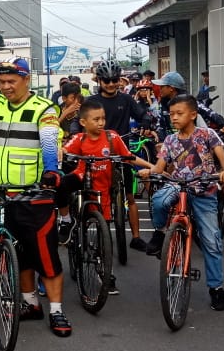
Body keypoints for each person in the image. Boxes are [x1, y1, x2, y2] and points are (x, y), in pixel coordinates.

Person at [0, 56, 72, 337]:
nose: (5, 87)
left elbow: (50, 140)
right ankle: (30, 303)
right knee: (20, 254)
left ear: (26, 80)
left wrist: (52, 169)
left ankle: (56, 310)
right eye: (1, 81)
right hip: (2, 193)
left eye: (11, 82)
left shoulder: (44, 108)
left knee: (45, 255)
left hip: (34, 194)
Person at [142, 95, 224, 312]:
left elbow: (222, 157)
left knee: (212, 241)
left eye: (179, 113)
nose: (174, 117)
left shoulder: (207, 134)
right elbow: (160, 166)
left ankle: (217, 289)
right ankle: (160, 231)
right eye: (172, 114)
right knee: (159, 199)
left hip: (203, 189)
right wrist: (150, 171)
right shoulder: (170, 141)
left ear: (193, 114)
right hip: (179, 184)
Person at [57, 100, 154, 295]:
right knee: (61, 186)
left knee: (104, 236)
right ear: (83, 122)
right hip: (82, 179)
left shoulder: (112, 138)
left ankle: (106, 274)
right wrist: (61, 151)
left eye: (103, 118)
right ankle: (66, 221)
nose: (101, 122)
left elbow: (129, 157)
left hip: (103, 190)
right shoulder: (79, 139)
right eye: (96, 119)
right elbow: (65, 150)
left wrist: (152, 167)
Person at [86, 59, 152, 251]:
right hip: (98, 154)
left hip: (121, 152)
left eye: (114, 80)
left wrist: (146, 122)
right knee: (97, 196)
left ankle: (136, 237)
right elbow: (80, 121)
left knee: (130, 198)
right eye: (106, 81)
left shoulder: (126, 99)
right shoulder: (92, 102)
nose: (111, 84)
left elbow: (142, 114)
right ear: (99, 81)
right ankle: (97, 231)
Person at [151, 71, 224, 134]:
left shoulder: (188, 101)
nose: (159, 89)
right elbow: (161, 125)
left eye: (162, 87)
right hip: (172, 144)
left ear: (171, 88)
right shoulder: (163, 103)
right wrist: (161, 141)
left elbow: (209, 112)